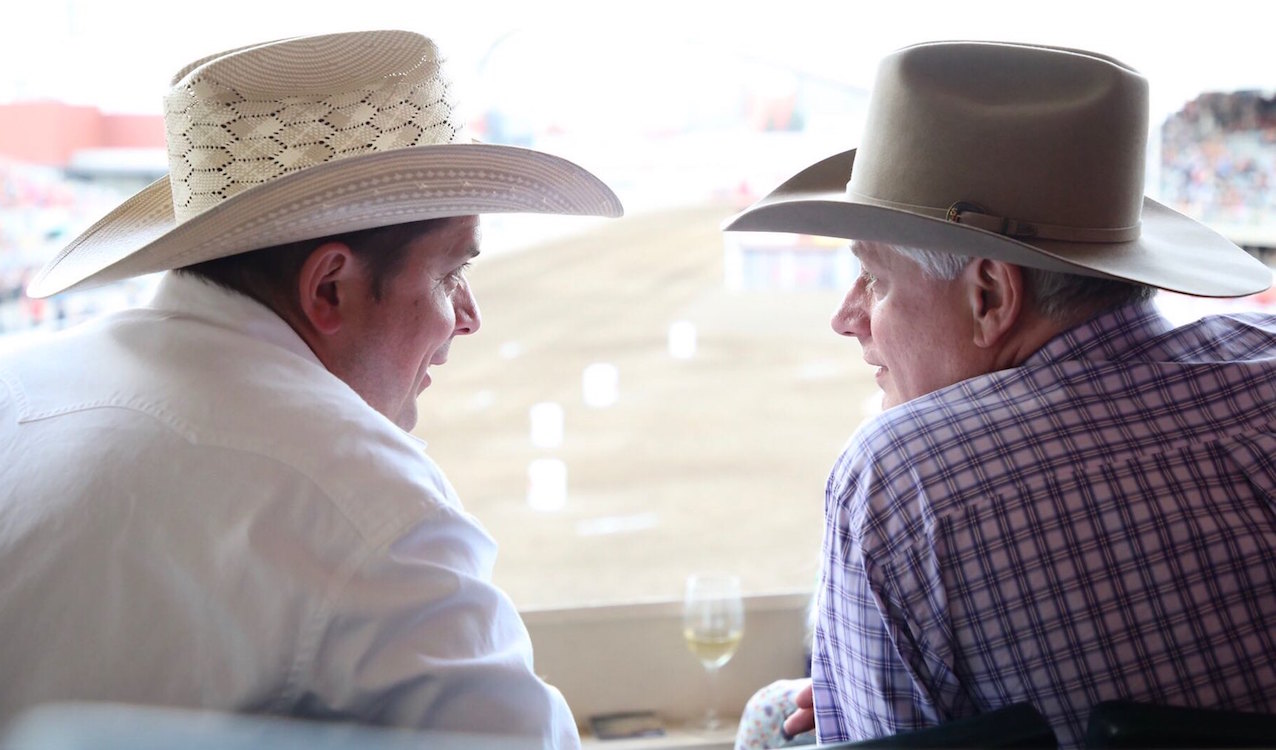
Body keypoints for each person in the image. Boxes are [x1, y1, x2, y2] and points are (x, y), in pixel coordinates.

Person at [0, 30, 621, 748]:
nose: (470, 317)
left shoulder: (18, 383)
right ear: (329, 286)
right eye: (450, 275)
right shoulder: (362, 499)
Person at [723, 40, 1276, 749]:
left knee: (775, 720)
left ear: (989, 295)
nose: (847, 316)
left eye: (876, 280)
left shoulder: (906, 474)